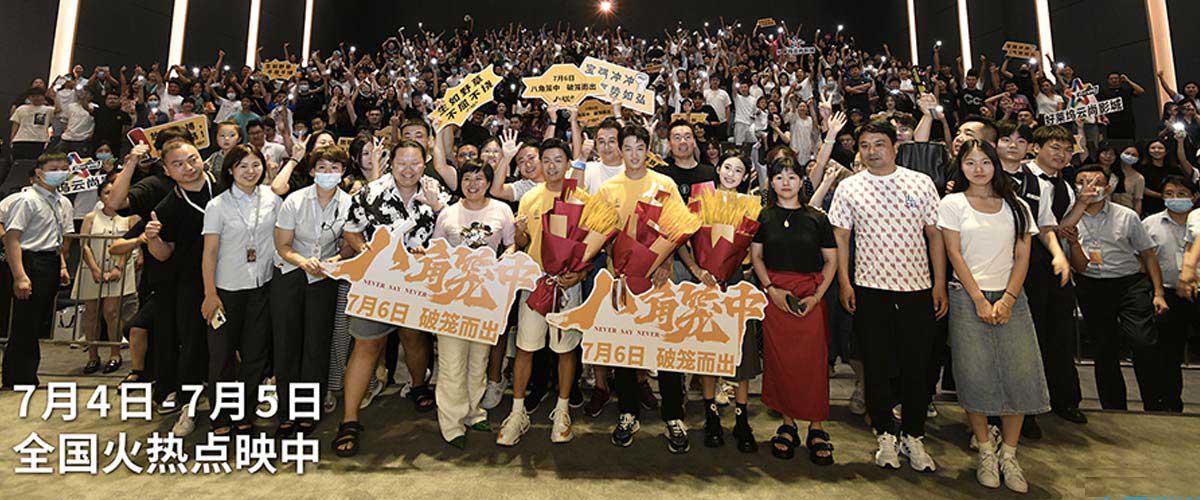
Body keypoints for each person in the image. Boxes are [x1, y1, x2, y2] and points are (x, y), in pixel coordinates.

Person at [828, 120, 947, 472]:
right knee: (877, 365)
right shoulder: (850, 187)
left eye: (879, 144)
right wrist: (845, 282)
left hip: (917, 288)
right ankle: (884, 434)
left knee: (917, 365)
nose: (871, 151)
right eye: (865, 145)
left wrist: (939, 283)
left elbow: (935, 235)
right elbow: (841, 238)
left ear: (895, 146)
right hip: (869, 289)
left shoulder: (920, 182)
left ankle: (914, 435)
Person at [939, 140, 1047, 493]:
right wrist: (978, 300)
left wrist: (1009, 298)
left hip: (1011, 297)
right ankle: (985, 449)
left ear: (995, 165)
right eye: (970, 163)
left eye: (985, 162)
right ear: (961, 167)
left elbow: (1023, 255)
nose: (979, 169)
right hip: (967, 297)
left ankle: (1010, 454)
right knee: (975, 375)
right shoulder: (952, 204)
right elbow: (954, 253)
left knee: (1020, 373)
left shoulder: (1017, 205)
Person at [332, 139, 447, 457]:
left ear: (425, 162)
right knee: (367, 345)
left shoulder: (435, 191)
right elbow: (351, 230)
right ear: (391, 163)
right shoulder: (371, 193)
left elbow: (451, 230)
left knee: (414, 337)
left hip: (418, 284)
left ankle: (418, 385)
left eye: (415, 163)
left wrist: (432, 246)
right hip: (377, 282)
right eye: (401, 163)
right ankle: (349, 419)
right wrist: (367, 251)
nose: (408, 169)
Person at [592, 124, 687, 451]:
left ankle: (673, 415)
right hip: (621, 282)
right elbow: (600, 233)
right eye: (628, 148)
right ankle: (628, 412)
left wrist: (665, 262)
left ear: (648, 150)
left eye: (639, 148)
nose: (633, 154)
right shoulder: (609, 189)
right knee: (625, 350)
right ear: (620, 150)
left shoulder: (664, 184)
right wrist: (613, 256)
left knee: (666, 349)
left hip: (659, 281)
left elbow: (677, 228)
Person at [1059, 165, 1169, 411]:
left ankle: (1155, 404)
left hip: (1129, 283)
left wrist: (1159, 292)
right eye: (1082, 182)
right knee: (1103, 348)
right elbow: (1080, 266)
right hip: (1092, 285)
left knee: (1143, 342)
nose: (1089, 188)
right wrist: (1074, 243)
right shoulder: (1069, 217)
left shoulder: (1126, 216)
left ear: (1108, 188)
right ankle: (1113, 407)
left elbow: (1148, 254)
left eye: (1096, 183)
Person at [750, 155, 837, 465]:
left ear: (802, 181)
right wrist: (770, 289)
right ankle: (787, 424)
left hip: (810, 296)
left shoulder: (817, 218)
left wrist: (816, 296)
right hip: (776, 298)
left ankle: (816, 426)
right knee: (780, 363)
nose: (785, 183)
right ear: (771, 183)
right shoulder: (764, 216)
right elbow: (757, 257)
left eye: (791, 176)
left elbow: (831, 261)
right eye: (778, 177)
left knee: (813, 363)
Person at [497, 138, 583, 446]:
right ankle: (517, 412)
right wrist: (520, 234)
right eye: (546, 160)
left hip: (568, 285)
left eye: (558, 160)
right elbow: (523, 243)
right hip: (534, 283)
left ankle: (562, 411)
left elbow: (589, 245)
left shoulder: (582, 199)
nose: (552, 166)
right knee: (526, 347)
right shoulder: (530, 197)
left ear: (568, 163)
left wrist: (579, 274)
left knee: (565, 349)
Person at [141, 139, 225, 435]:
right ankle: (188, 405)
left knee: (232, 344)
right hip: (191, 285)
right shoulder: (167, 207)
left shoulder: (224, 185)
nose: (188, 168)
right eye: (178, 164)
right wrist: (152, 238)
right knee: (192, 345)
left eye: (192, 159)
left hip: (233, 279)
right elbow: (163, 254)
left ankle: (233, 404)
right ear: (167, 170)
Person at [432, 160, 516, 448]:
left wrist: (508, 256)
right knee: (452, 360)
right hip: (451, 296)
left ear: (488, 182)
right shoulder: (448, 213)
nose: (473, 184)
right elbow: (437, 250)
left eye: (479, 178)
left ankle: (473, 411)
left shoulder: (502, 210)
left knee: (479, 358)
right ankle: (452, 423)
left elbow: (511, 243)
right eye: (467, 178)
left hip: (487, 296)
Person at [271, 144, 352, 437]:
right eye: (322, 168)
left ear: (343, 172)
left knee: (316, 346)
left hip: (324, 278)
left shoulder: (349, 203)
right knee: (287, 345)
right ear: (312, 171)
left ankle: (308, 410)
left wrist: (336, 259)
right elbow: (282, 245)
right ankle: (286, 412)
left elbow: (349, 242)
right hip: (290, 274)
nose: (328, 173)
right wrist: (304, 262)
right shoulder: (295, 200)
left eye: (334, 168)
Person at [199, 144, 280, 437]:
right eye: (242, 166)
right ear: (231, 170)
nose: (250, 171)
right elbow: (209, 253)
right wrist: (210, 294)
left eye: (255, 165)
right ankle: (220, 415)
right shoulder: (217, 205)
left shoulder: (272, 199)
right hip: (226, 290)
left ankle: (244, 411)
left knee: (256, 355)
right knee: (221, 356)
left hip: (262, 287)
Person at [1020, 125, 1087, 434]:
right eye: (1055, 147)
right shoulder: (1020, 177)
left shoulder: (1065, 186)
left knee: (1060, 334)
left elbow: (1057, 228)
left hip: (1054, 267)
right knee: (1028, 340)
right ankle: (1025, 411)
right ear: (1036, 148)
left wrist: (1082, 204)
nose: (1062, 154)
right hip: (1023, 267)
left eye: (1067, 150)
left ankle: (1064, 400)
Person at [2, 153, 73, 387]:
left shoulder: (61, 201)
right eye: (54, 168)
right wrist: (20, 276)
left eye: (63, 168)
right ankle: (17, 377)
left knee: (37, 322)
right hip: (31, 261)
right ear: (40, 173)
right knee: (25, 322)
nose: (59, 172)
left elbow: (58, 238)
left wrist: (62, 265)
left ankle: (26, 374)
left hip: (51, 261)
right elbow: (12, 238)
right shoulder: (27, 200)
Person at [1141, 176, 1199, 413]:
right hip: (1167, 294)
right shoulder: (1150, 224)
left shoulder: (1198, 220)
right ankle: (1170, 405)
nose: (1176, 198)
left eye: (1182, 194)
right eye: (1169, 194)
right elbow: (1142, 258)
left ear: (1194, 197)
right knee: (1168, 354)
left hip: (1198, 293)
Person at [73, 178, 139, 374]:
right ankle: (93, 356)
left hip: (119, 268)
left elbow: (131, 244)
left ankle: (115, 354)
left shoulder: (129, 217)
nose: (111, 196)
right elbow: (84, 245)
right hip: (92, 269)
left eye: (115, 192)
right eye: (107, 193)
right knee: (91, 313)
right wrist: (95, 269)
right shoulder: (91, 217)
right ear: (100, 197)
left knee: (112, 312)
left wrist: (119, 267)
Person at [9, 88, 56, 161]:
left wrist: (54, 97)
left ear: (43, 97)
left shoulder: (48, 110)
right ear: (29, 97)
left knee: (35, 163)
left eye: (39, 96)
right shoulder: (21, 108)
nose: (36, 98)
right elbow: (15, 125)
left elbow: (58, 110)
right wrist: (12, 138)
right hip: (21, 140)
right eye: (33, 96)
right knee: (18, 162)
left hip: (39, 141)